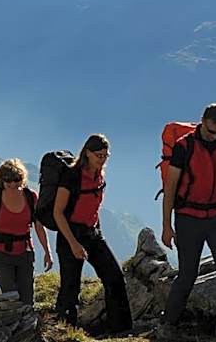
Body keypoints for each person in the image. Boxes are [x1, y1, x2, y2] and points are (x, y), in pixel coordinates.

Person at [160, 103, 216, 335]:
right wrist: (167, 226)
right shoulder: (183, 146)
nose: (214, 137)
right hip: (188, 218)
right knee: (188, 274)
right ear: (202, 121)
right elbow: (170, 187)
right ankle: (169, 323)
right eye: (210, 131)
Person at [53, 134, 133, 333]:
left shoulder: (99, 175)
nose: (103, 159)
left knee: (115, 278)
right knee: (70, 288)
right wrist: (73, 243)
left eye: (106, 155)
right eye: (98, 155)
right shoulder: (72, 176)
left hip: (93, 234)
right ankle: (65, 331)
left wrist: (95, 231)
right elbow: (58, 212)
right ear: (87, 153)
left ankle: (120, 330)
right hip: (70, 234)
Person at [0, 158, 53, 304]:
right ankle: (13, 325)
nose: (12, 184)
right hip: (1, 255)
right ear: (1, 180)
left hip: (25, 253)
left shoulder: (31, 197)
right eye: (8, 180)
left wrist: (47, 252)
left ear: (22, 179)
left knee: (27, 299)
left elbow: (38, 226)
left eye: (16, 179)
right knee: (12, 298)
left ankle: (27, 326)